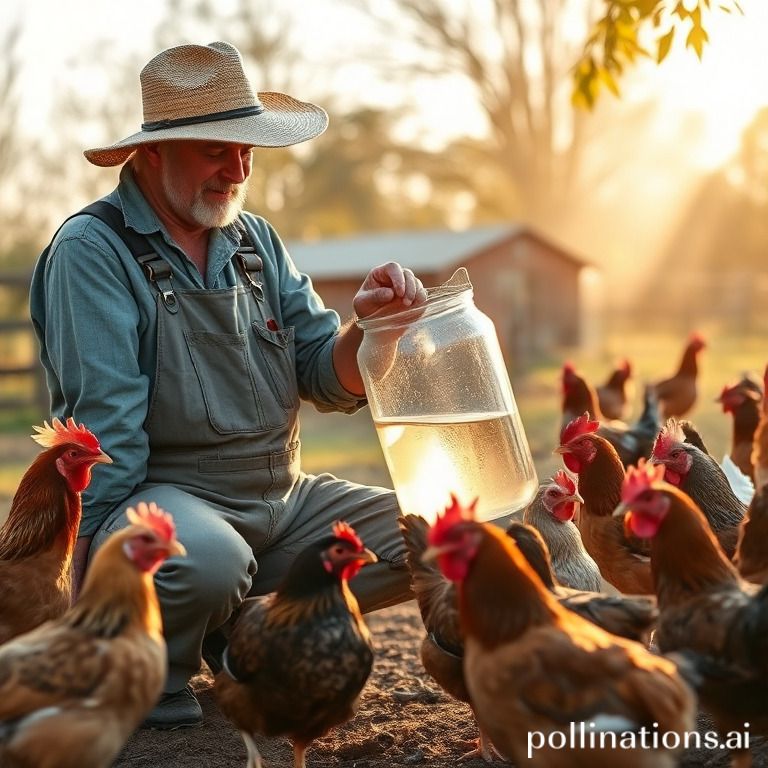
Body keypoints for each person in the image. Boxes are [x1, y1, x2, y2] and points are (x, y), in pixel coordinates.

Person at [29, 41, 427, 729]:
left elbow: (322, 376)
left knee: (437, 538)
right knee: (207, 561)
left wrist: (369, 326)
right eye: (218, 149)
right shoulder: (92, 253)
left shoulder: (255, 242)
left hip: (283, 495)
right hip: (168, 500)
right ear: (153, 152)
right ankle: (150, 670)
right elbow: (106, 436)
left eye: (247, 151)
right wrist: (87, 603)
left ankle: (233, 629)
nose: (238, 169)